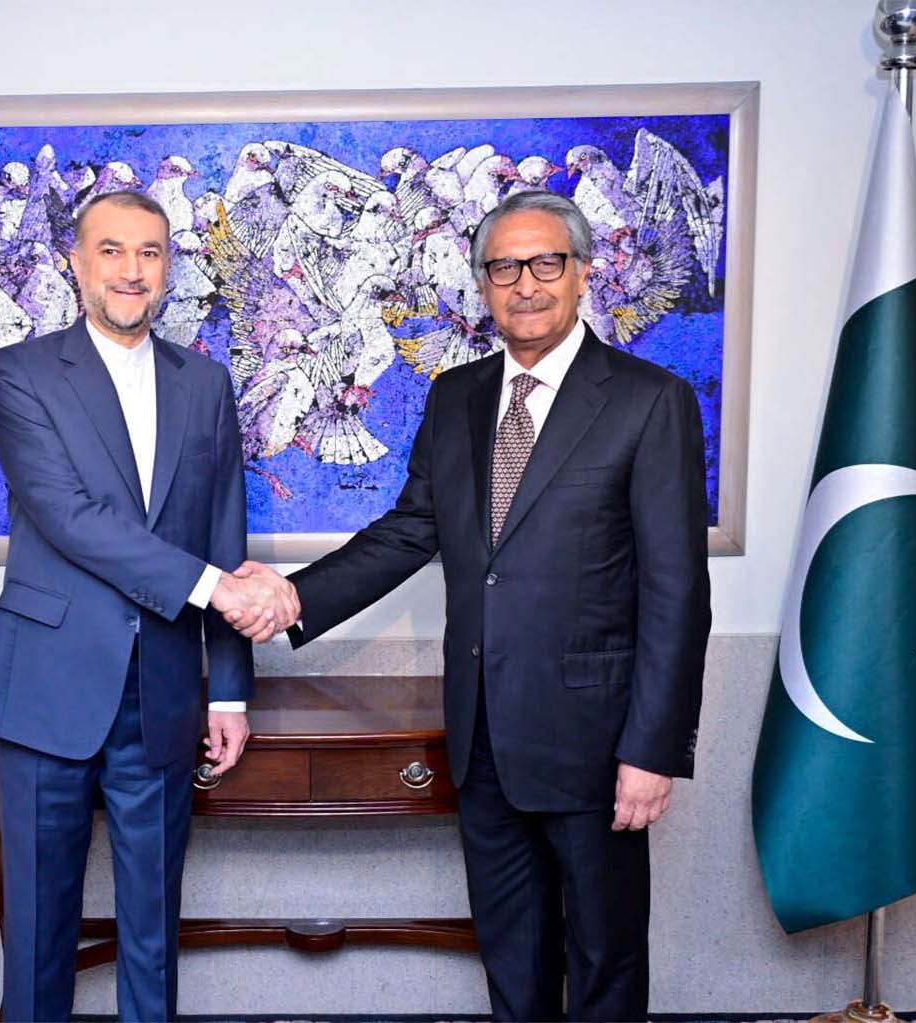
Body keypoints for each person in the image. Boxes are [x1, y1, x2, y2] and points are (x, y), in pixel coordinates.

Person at [233, 190, 711, 1020]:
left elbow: (677, 593)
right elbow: (410, 531)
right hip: (482, 736)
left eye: (545, 263)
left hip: (596, 745)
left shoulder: (648, 399)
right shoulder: (454, 395)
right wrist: (291, 599)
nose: (524, 283)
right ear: (482, 285)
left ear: (582, 274)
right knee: (511, 957)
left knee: (604, 958)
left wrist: (654, 749)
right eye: (503, 267)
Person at [0, 190, 297, 1022]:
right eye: (111, 250)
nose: (131, 270)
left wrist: (229, 690)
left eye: (149, 252)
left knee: (153, 931)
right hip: (46, 690)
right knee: (40, 939)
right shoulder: (19, 374)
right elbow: (73, 519)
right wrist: (221, 589)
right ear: (75, 262)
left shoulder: (207, 383)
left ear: (168, 267)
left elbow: (225, 528)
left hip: (166, 692)